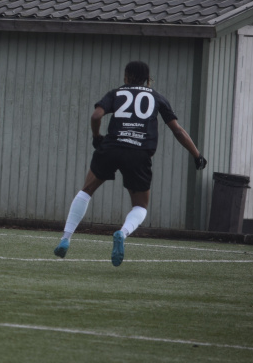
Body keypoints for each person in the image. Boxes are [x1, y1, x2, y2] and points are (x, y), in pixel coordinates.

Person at [54, 61, 207, 266]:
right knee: (140, 206)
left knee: (86, 191)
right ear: (148, 79)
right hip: (139, 153)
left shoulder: (116, 93)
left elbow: (96, 115)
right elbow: (177, 131)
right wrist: (197, 155)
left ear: (126, 76)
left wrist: (97, 136)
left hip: (111, 147)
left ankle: (65, 239)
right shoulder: (157, 97)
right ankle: (122, 233)